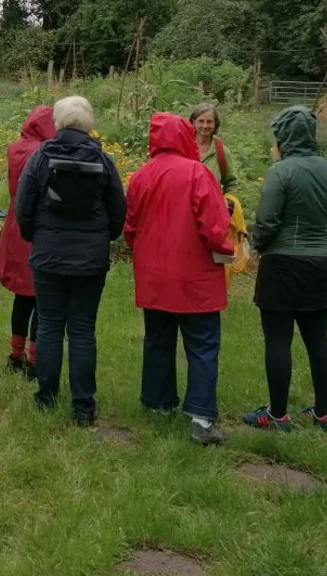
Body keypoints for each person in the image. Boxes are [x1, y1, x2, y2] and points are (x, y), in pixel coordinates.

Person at [15, 97, 126, 426]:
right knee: (82, 330)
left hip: (48, 254)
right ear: (89, 123)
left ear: (58, 122)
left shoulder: (40, 158)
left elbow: (23, 209)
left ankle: (46, 397)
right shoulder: (104, 160)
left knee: (49, 326)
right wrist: (102, 238)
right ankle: (83, 406)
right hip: (90, 259)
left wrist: (36, 236)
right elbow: (118, 211)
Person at [125, 112, 234, 446]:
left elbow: (129, 228)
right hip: (195, 274)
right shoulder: (198, 172)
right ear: (185, 136)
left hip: (155, 273)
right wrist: (227, 249)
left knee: (158, 339)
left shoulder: (141, 176)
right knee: (202, 344)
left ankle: (158, 403)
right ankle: (201, 418)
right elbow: (215, 227)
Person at [242, 106, 327, 433]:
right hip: (320, 265)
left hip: (282, 265)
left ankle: (277, 415)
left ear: (284, 137)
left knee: (278, 340)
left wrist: (256, 244)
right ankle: (322, 413)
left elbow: (268, 220)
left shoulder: (281, 171)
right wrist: (318, 242)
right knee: (318, 340)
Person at [0, 105, 56, 377]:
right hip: (38, 228)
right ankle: (34, 358)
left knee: (22, 295)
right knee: (41, 297)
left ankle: (15, 353)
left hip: (15, 225)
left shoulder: (15, 149)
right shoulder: (44, 154)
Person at [190, 103, 237, 193]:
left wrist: (228, 201)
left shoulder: (222, 151)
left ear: (215, 123)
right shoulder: (183, 147)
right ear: (193, 122)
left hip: (212, 206)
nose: (205, 126)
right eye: (201, 121)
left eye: (209, 121)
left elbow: (231, 183)